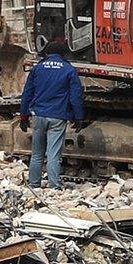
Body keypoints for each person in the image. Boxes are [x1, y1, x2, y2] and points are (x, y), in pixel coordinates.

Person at [16, 40, 83, 189]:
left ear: (47, 53)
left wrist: (24, 115)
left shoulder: (37, 68)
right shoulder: (68, 70)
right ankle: (54, 185)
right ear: (63, 54)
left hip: (38, 115)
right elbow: (75, 96)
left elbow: (27, 93)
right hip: (58, 116)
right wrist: (78, 117)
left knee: (37, 154)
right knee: (53, 154)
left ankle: (34, 184)